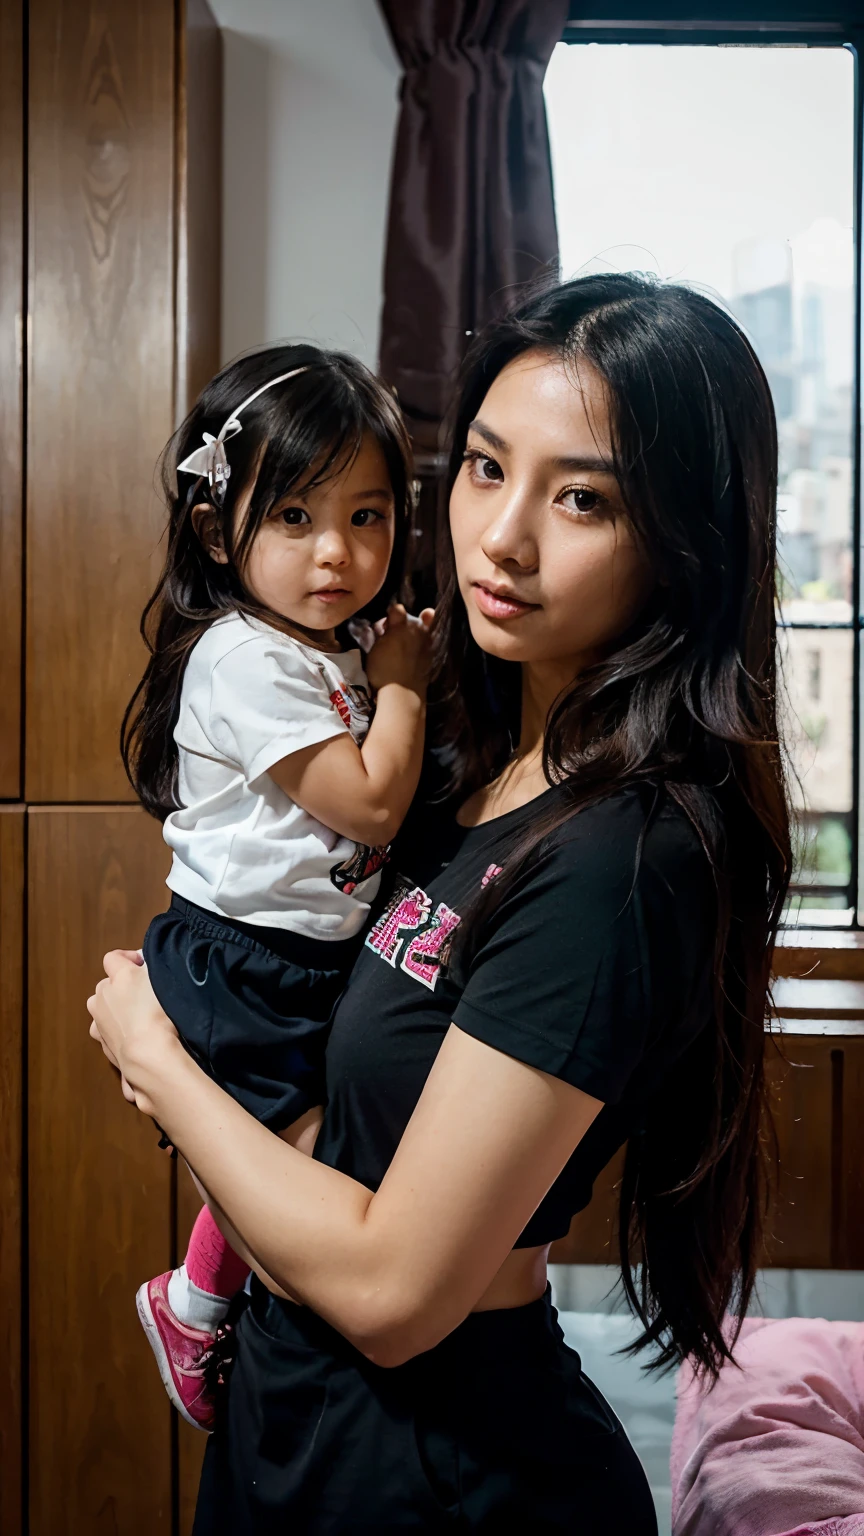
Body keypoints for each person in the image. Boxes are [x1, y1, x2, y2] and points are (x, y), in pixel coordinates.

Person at [89, 273, 791, 1534]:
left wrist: (158, 1062)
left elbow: (394, 1289)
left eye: (581, 497)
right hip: (295, 1419)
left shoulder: (624, 858)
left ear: (689, 536)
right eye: (481, 468)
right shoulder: (459, 764)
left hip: (446, 1466)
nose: (502, 537)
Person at [120, 343, 432, 1430]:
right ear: (219, 530)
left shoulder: (323, 646)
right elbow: (370, 804)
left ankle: (210, 1303)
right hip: (244, 964)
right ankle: (197, 1306)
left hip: (307, 957)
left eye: (368, 516)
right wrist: (402, 691)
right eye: (294, 517)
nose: (338, 553)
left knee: (312, 1176)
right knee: (303, 1199)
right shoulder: (244, 659)